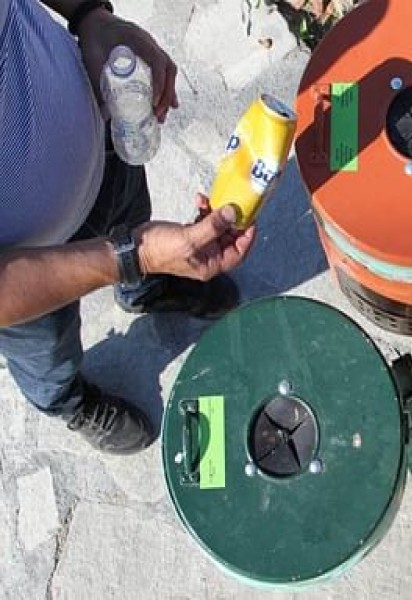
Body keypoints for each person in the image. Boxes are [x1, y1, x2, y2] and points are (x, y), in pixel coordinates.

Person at [0, 0, 256, 454]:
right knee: (47, 355)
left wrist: (89, 16)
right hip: (26, 277)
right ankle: (67, 401)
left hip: (103, 138)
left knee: (131, 210)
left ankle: (146, 288)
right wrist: (130, 254)